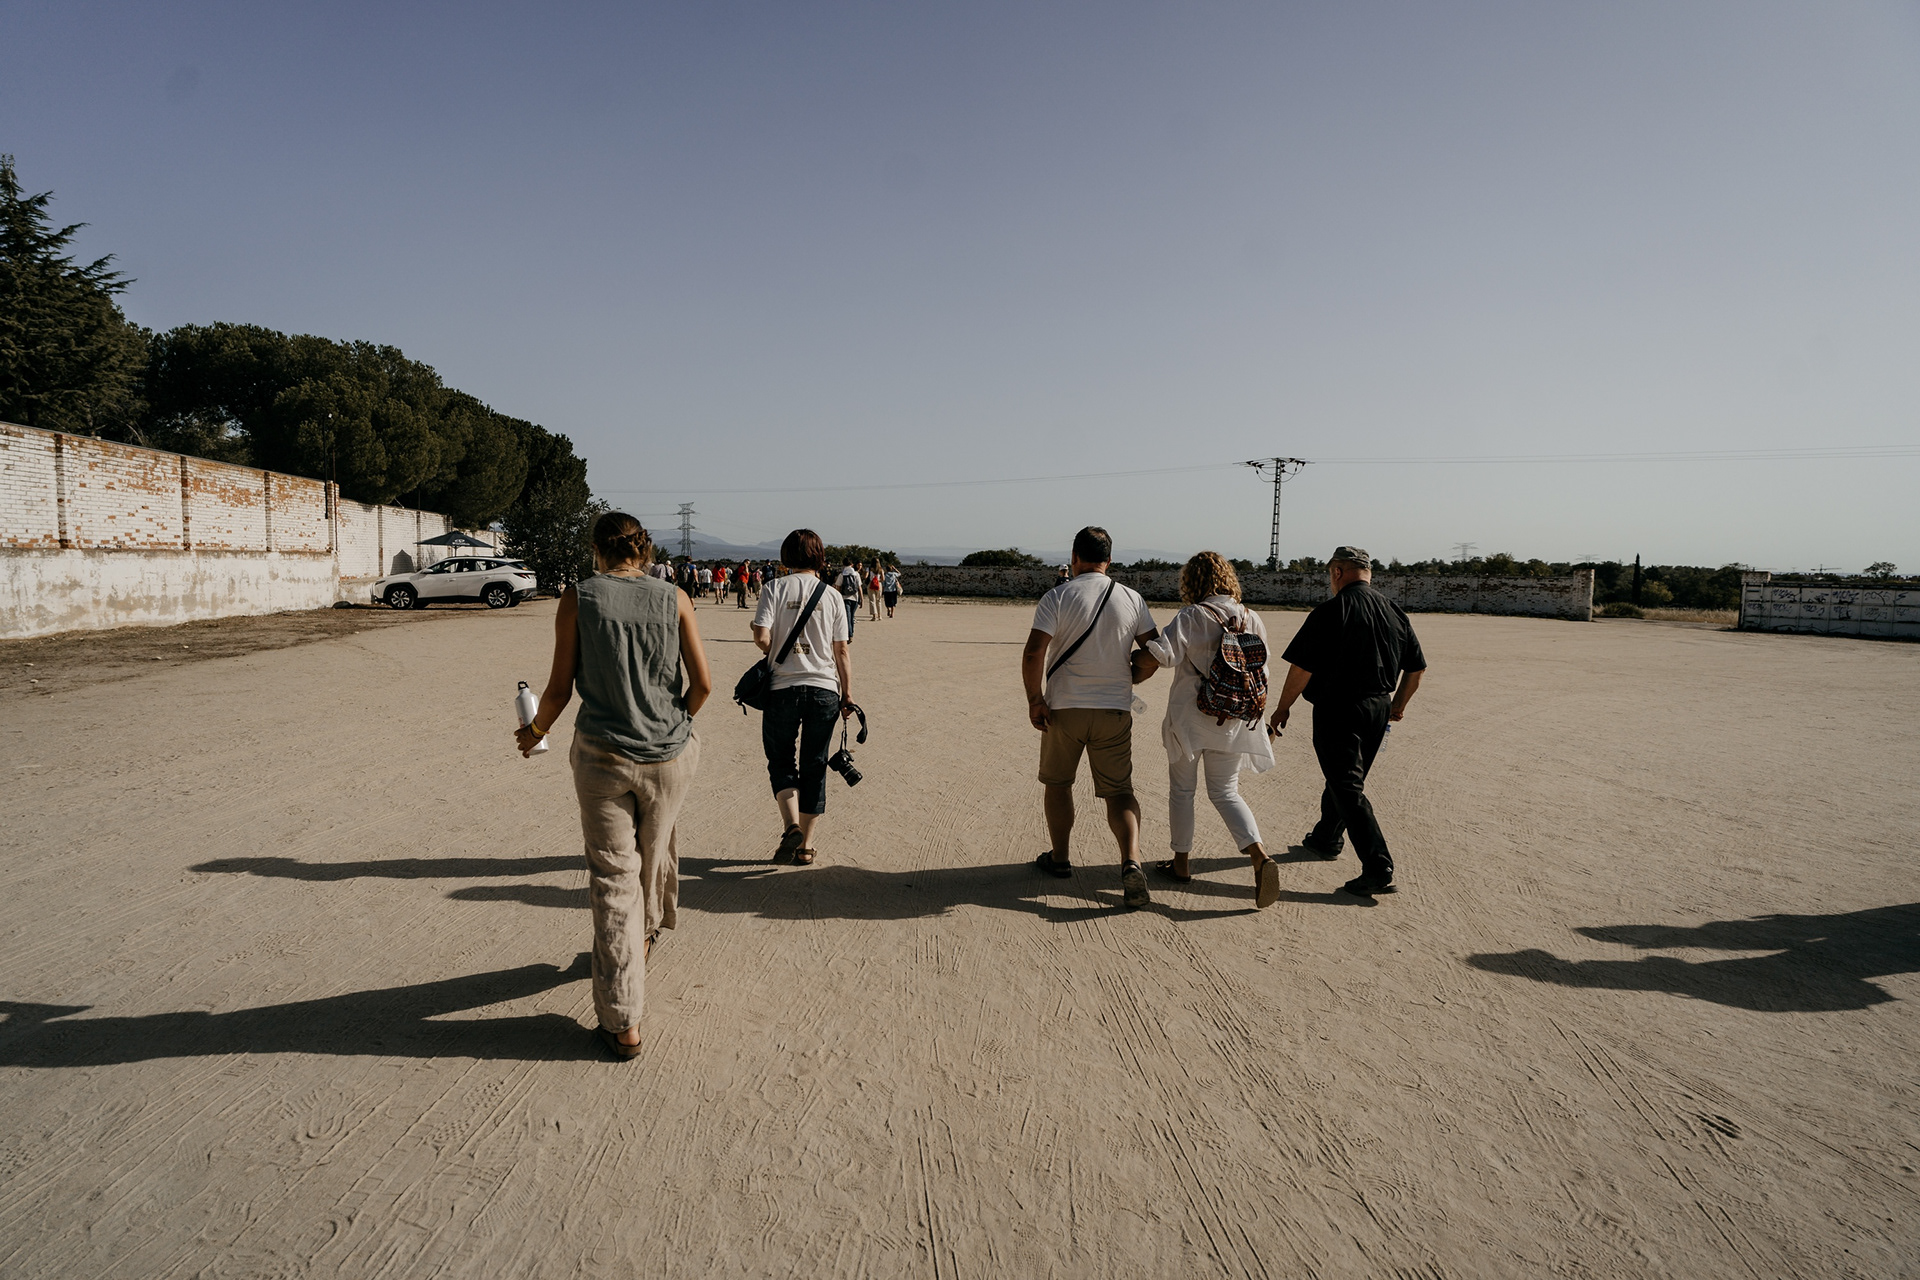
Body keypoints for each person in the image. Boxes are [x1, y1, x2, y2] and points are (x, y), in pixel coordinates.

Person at [515, 512, 712, 1060]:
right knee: (654, 853)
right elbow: (703, 685)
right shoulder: (675, 597)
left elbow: (558, 689)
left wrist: (534, 732)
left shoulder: (578, 598)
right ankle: (642, 941)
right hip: (669, 756)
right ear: (643, 551)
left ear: (597, 551)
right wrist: (674, 727)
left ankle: (624, 1022)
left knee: (612, 879)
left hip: (602, 757)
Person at [1268, 546, 1426, 897]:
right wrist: (1397, 705)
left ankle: (1378, 866)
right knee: (1346, 778)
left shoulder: (1331, 610)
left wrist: (1282, 708)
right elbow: (1416, 669)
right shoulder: (1395, 611)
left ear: (1337, 572)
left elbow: (1302, 668)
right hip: (1378, 707)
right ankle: (1327, 837)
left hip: (1339, 708)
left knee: (1346, 785)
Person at [1021, 526, 1160, 908]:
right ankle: (1131, 860)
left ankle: (1060, 858)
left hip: (1065, 708)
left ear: (1074, 557)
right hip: (1114, 708)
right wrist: (1134, 675)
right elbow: (1155, 652)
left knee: (1058, 784)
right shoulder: (1131, 598)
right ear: (1109, 560)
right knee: (1119, 791)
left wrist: (1035, 700)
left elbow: (1033, 653)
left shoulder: (1058, 596)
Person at [1131, 552, 1279, 907]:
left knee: (1182, 791)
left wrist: (1131, 660)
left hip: (1190, 718)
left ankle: (1181, 863)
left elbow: (1163, 655)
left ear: (1192, 581)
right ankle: (1259, 855)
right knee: (1226, 792)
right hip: (1233, 718)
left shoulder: (1193, 615)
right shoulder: (1251, 617)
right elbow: (1263, 671)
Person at [752, 529, 855, 866]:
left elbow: (761, 637)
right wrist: (848, 694)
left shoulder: (773, 588)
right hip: (824, 688)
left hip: (782, 688)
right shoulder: (833, 595)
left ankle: (791, 826)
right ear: (820, 557)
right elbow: (841, 650)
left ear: (786, 556)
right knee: (815, 765)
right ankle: (806, 846)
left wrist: (776, 651)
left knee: (781, 760)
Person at [836, 559, 864, 641]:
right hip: (855, 598)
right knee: (851, 616)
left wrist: (837, 598)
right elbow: (859, 587)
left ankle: (849, 634)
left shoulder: (842, 575)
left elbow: (838, 587)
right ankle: (851, 633)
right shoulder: (856, 574)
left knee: (847, 617)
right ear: (851, 565)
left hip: (845, 598)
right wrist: (861, 599)